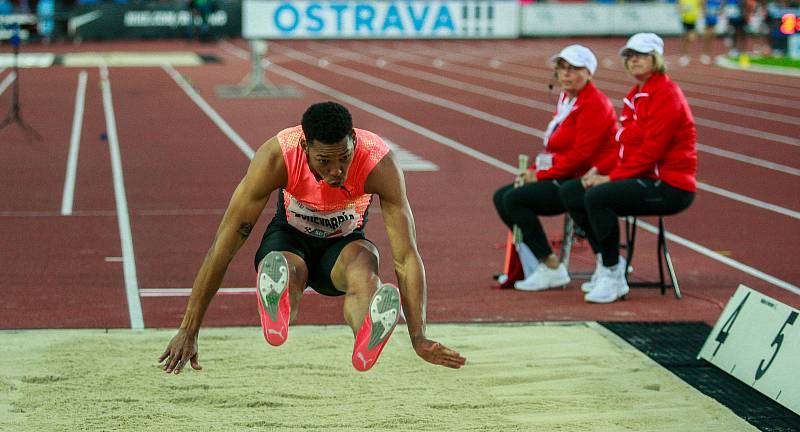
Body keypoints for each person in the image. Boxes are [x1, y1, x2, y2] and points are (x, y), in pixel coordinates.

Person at [159, 102, 466, 373]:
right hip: (290, 241)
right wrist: (189, 328)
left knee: (367, 270)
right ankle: (277, 304)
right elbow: (223, 246)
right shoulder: (277, 156)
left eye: (344, 158)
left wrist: (419, 336)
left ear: (354, 142)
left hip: (344, 246)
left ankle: (366, 337)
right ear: (305, 148)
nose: (337, 171)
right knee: (287, 271)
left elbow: (406, 256)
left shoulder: (378, 162)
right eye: (325, 162)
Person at [559, 33, 697, 304]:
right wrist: (599, 170)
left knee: (599, 197)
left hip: (669, 185)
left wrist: (609, 178)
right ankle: (607, 261)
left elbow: (651, 152)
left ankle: (613, 275)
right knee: (572, 192)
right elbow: (625, 148)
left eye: (640, 55)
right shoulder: (638, 93)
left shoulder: (666, 94)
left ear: (655, 59)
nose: (633, 60)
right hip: (643, 178)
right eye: (629, 56)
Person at [492, 45, 619, 292]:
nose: (566, 74)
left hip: (582, 178)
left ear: (589, 73)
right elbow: (554, 147)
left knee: (514, 200)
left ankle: (552, 267)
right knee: (502, 196)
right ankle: (547, 264)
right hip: (563, 174)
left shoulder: (594, 103)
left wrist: (538, 175)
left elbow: (581, 156)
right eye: (562, 69)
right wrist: (532, 169)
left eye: (574, 69)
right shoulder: (567, 99)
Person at [679, 0, 702, 65]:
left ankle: (685, 54)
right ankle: (684, 55)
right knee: (685, 38)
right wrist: (682, 10)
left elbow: (701, 5)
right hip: (685, 20)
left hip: (693, 21)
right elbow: (679, 8)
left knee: (691, 39)